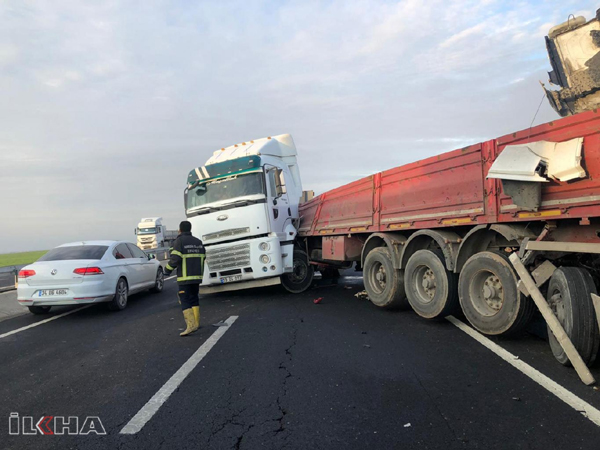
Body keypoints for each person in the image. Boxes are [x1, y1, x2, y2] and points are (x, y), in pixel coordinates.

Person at [164, 221, 205, 336]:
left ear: (180, 230)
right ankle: (196, 324)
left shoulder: (179, 241)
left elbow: (175, 259)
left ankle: (190, 325)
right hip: (197, 276)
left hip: (185, 277)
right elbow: (203, 256)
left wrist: (167, 270)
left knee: (184, 299)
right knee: (194, 298)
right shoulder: (198, 242)